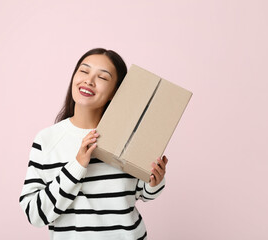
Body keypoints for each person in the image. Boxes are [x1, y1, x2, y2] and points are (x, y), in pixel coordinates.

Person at [19, 48, 168, 240]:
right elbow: (35, 214)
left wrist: (154, 181)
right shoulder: (47, 139)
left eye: (103, 77)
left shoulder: (129, 137)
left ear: (115, 92)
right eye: (84, 71)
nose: (89, 80)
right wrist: (77, 166)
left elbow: (141, 194)